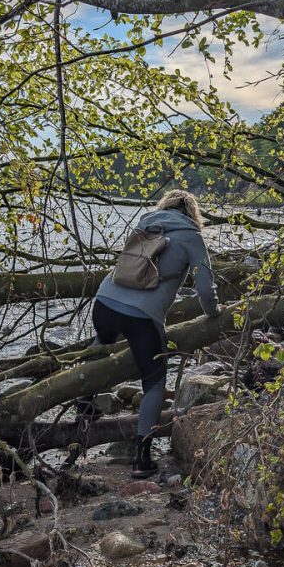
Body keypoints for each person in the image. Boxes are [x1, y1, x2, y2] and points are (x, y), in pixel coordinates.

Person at [87, 189, 220, 478]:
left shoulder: (145, 222)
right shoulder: (192, 237)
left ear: (165, 206)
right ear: (193, 214)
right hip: (142, 318)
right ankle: (141, 457)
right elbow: (205, 288)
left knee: (102, 344)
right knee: (155, 382)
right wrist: (214, 316)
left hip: (105, 303)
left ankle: (85, 400)